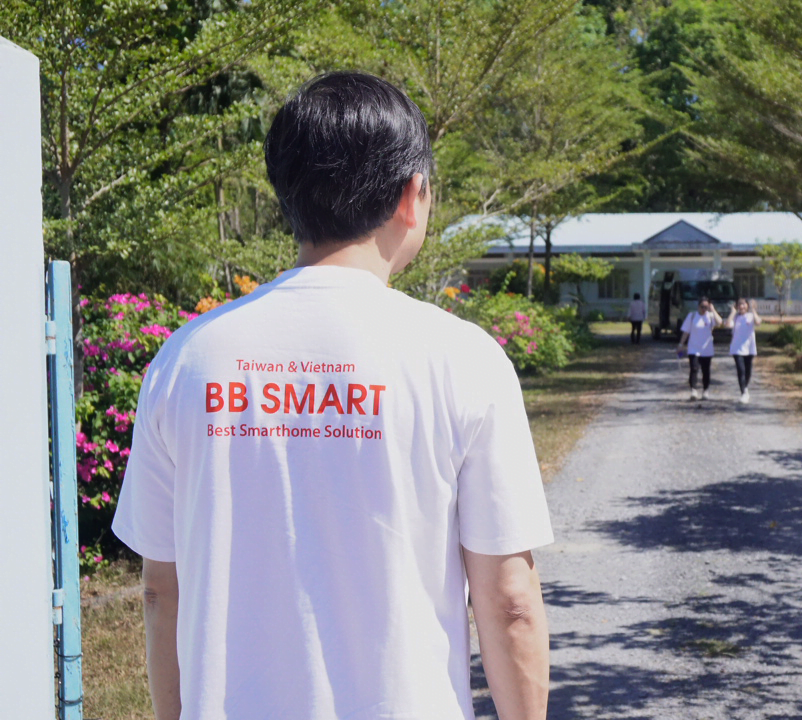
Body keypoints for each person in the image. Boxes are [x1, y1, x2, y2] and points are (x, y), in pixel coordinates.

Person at [112, 72, 554, 720]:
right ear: (413, 195)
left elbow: (160, 590)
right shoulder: (464, 361)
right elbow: (508, 600)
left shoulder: (187, 360)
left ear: (288, 194)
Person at [677, 296, 721, 400]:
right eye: (702, 306)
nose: (704, 309)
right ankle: (694, 390)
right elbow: (686, 332)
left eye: (706, 307)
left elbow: (719, 322)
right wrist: (680, 345)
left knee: (706, 371)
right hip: (694, 348)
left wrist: (713, 310)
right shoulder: (692, 316)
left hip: (707, 349)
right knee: (694, 368)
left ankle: (706, 390)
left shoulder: (710, 316)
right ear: (698, 306)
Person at [727, 297, 762, 403]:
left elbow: (758, 322)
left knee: (748, 371)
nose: (741, 306)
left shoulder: (751, 316)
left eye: (743, 304)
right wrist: (732, 312)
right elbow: (728, 324)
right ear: (737, 306)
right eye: (739, 305)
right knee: (740, 370)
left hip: (749, 348)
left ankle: (745, 388)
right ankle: (743, 392)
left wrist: (754, 310)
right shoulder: (735, 317)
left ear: (747, 306)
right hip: (737, 348)